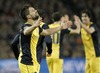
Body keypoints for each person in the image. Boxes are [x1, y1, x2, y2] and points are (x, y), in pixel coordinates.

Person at [11, 5, 69, 73]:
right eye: (33, 10)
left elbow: (47, 32)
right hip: (27, 62)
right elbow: (26, 32)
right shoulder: (25, 26)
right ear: (28, 16)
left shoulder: (38, 28)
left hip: (33, 61)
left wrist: (60, 27)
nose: (36, 10)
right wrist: (34, 25)